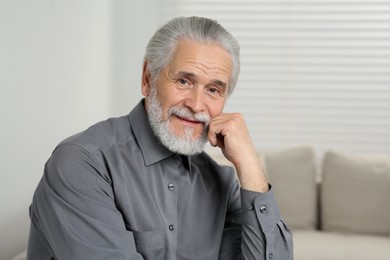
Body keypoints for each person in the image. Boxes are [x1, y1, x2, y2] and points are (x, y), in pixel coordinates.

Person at [27, 16, 293, 260]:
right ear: (147, 78)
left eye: (213, 89)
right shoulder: (82, 162)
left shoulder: (222, 182)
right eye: (184, 81)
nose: (197, 104)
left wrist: (250, 165)